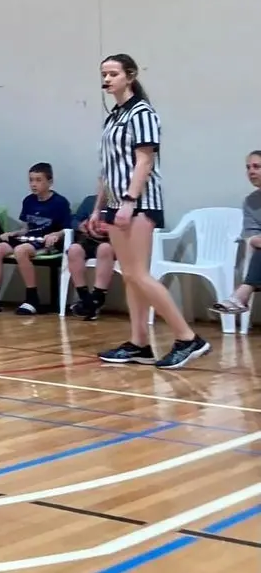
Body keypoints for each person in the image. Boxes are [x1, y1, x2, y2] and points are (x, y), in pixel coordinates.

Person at [92, 54, 209, 369]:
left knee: (138, 274)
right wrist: (98, 207)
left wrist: (130, 200)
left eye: (113, 73)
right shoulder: (113, 116)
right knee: (129, 277)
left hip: (139, 202)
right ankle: (139, 343)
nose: (107, 79)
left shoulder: (142, 113)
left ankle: (188, 338)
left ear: (129, 76)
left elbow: (144, 160)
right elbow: (107, 168)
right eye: (103, 74)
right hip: (116, 204)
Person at [0, 162, 71, 315]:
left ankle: (32, 298)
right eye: (31, 180)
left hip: (45, 242)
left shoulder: (60, 202)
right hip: (29, 238)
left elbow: (67, 229)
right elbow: (26, 228)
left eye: (38, 180)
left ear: (50, 181)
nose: (34, 184)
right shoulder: (28, 201)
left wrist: (55, 235)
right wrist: (14, 234)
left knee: (21, 251)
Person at [210, 150, 261, 318]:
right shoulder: (251, 202)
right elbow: (250, 235)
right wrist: (256, 240)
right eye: (248, 167)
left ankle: (241, 294)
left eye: (257, 167)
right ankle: (242, 295)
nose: (251, 171)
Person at [64, 194, 117, 320]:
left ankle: (98, 296)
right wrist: (80, 225)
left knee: (105, 249)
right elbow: (74, 220)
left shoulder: (120, 203)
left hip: (111, 241)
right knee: (74, 250)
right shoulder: (89, 200)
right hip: (88, 239)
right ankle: (85, 298)